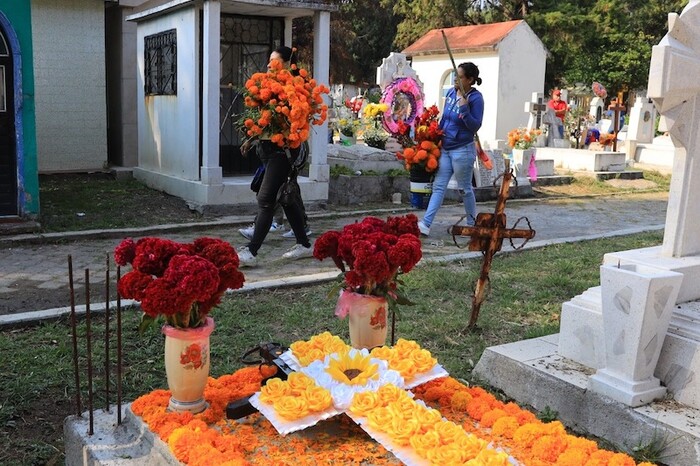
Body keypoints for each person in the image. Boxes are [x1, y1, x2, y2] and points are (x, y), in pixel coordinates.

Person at [237, 46, 313, 266]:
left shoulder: (296, 90)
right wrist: (251, 138)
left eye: (274, 61)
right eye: (269, 61)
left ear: (287, 64)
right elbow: (267, 120)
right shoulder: (268, 88)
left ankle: (251, 251)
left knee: (265, 200)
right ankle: (305, 244)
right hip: (269, 150)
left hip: (283, 152)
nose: (269, 65)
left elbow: (291, 123)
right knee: (285, 200)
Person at [417, 62, 484, 236]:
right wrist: (435, 136)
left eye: (460, 76)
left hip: (462, 150)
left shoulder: (475, 98)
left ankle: (471, 224)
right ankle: (426, 223)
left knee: (464, 189)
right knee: (439, 187)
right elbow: (445, 118)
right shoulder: (450, 92)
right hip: (446, 148)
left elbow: (474, 126)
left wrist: (464, 106)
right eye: (456, 75)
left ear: (470, 79)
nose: (455, 79)